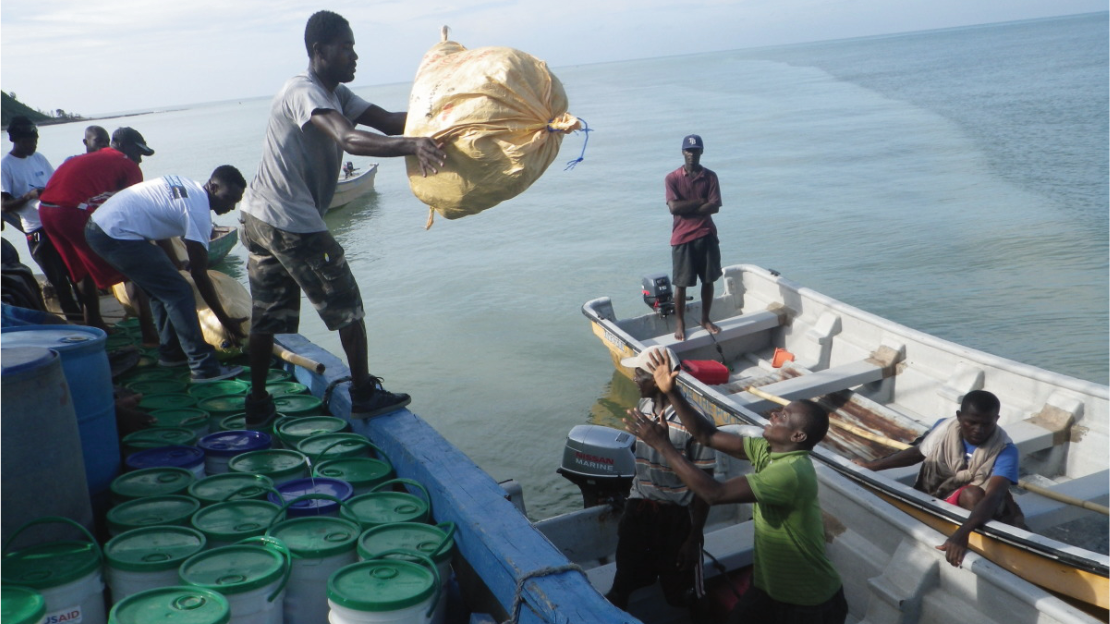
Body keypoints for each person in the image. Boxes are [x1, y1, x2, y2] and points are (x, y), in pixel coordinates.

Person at [239, 10, 446, 425]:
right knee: (347, 306)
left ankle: (257, 401)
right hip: (289, 221)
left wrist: (444, 125)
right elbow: (350, 139)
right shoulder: (303, 90)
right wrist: (412, 147)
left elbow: (388, 122)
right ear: (319, 51)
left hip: (256, 215)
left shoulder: (338, 95)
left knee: (267, 316)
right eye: (346, 46)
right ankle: (364, 393)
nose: (354, 55)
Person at [624, 348, 847, 624]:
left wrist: (663, 445)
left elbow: (713, 493)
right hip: (767, 588)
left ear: (798, 435)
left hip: (808, 603)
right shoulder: (768, 449)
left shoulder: (791, 472)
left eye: (784, 417)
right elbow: (707, 435)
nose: (775, 414)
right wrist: (672, 391)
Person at [85, 166, 248, 383]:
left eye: (236, 202)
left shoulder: (189, 187)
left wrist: (174, 264)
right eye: (228, 198)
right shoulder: (198, 211)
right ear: (214, 186)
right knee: (179, 292)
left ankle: (172, 353)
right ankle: (203, 366)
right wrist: (225, 319)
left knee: (161, 290)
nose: (231, 206)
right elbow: (200, 274)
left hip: (102, 227)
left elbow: (160, 224)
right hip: (115, 234)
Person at [854, 390, 1024, 567]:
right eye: (971, 422)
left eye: (986, 424)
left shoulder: (1005, 449)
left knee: (973, 495)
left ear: (996, 419)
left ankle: (978, 541)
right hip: (937, 494)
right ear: (959, 417)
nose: (978, 430)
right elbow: (917, 453)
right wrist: (871, 466)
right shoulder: (943, 428)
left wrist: (962, 533)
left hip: (974, 504)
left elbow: (995, 495)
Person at [605, 345, 715, 612]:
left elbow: (704, 487)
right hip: (640, 511)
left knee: (682, 592)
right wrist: (631, 510)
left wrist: (693, 538)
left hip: (677, 519)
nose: (633, 378)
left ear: (660, 379)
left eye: (639, 373)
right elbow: (640, 467)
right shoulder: (643, 408)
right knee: (623, 581)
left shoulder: (696, 421)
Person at [38, 127, 153, 331]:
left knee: (81, 270)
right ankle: (151, 333)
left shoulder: (93, 158)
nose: (140, 159)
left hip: (46, 211)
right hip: (71, 211)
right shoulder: (127, 164)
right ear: (123, 146)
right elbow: (133, 210)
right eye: (138, 152)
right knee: (129, 268)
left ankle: (94, 324)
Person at [1, 116, 83, 319]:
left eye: (34, 141)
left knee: (76, 273)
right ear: (15, 140)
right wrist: (28, 196)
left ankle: (90, 316)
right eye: (27, 142)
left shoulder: (39, 158)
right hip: (36, 230)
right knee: (58, 279)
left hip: (57, 223)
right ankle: (76, 320)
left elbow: (56, 184)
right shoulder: (6, 166)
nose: (32, 145)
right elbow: (4, 205)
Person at [664, 134, 723, 342]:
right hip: (682, 237)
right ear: (683, 152)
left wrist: (686, 206)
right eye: (689, 150)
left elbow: (715, 206)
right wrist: (700, 201)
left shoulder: (710, 177)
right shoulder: (672, 178)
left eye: (696, 150)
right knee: (681, 283)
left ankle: (705, 319)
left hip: (706, 234)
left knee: (708, 280)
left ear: (701, 152)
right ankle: (680, 322)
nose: (692, 154)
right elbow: (673, 208)